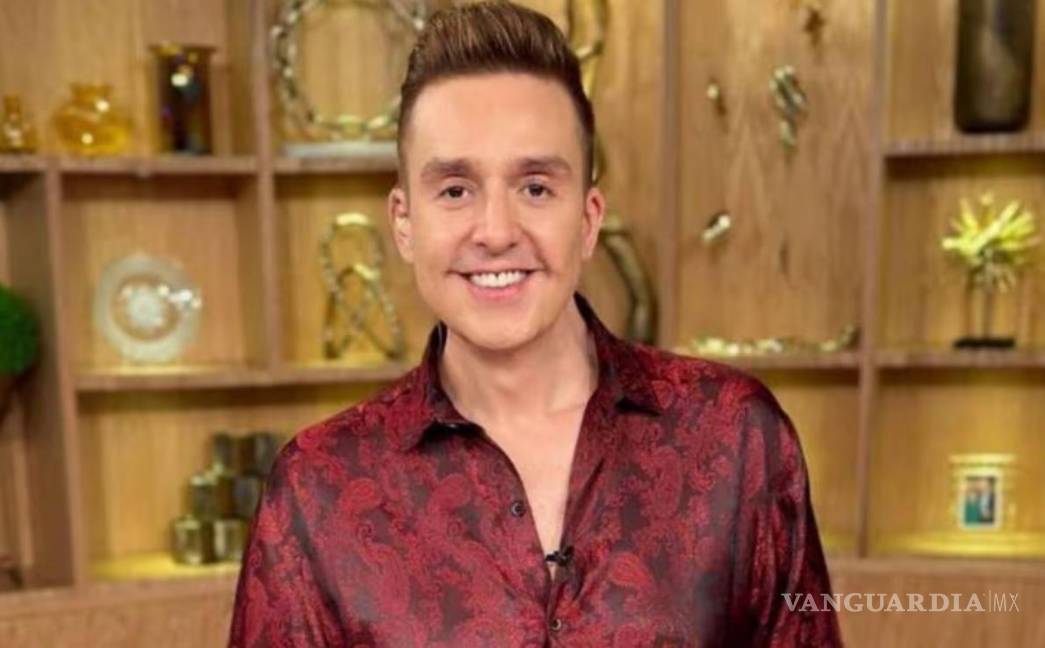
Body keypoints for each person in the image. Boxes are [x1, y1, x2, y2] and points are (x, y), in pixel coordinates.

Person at [228, 2, 842, 646]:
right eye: (456, 190)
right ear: (404, 224)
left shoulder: (734, 436)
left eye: (536, 188)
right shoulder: (317, 488)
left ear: (589, 218)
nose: (496, 232)